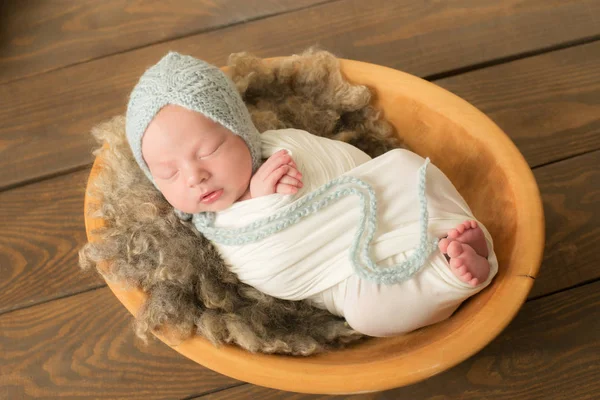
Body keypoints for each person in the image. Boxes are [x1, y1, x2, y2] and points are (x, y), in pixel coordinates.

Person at [126, 52, 498, 337]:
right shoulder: (211, 229)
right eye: (169, 173)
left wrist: (285, 185)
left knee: (404, 165)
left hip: (385, 206)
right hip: (339, 278)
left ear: (241, 131)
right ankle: (449, 276)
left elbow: (348, 165)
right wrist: (261, 205)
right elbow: (267, 266)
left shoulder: (282, 151)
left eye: (208, 151)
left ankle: (450, 234)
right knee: (369, 314)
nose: (196, 176)